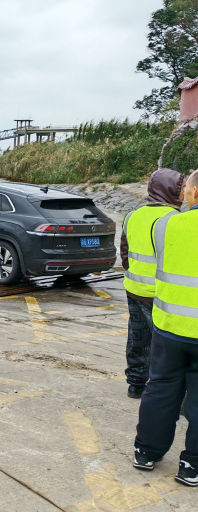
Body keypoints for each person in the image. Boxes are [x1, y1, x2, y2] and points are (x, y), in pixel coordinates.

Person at [133, 169, 198, 487]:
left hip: (169, 327)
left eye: (187, 189)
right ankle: (192, 466)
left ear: (194, 194)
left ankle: (146, 452)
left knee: (159, 390)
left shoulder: (165, 225)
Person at [121, 169, 184, 398]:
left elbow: (125, 254)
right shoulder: (174, 220)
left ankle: (135, 384)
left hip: (134, 289)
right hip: (161, 293)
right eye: (181, 187)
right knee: (164, 343)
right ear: (172, 190)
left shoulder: (132, 215)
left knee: (137, 337)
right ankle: (162, 388)